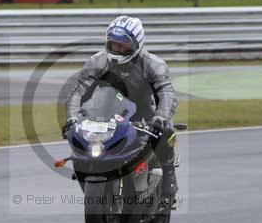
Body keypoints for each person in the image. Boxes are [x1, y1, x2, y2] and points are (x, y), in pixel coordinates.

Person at [63, 15, 179, 196]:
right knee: (79, 142)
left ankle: (169, 172)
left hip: (142, 114)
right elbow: (78, 92)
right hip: (105, 113)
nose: (117, 49)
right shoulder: (97, 61)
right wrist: (72, 117)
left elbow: (167, 93)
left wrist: (160, 118)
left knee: (165, 130)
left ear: (137, 44)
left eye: (123, 45)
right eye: (114, 44)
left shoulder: (153, 64)